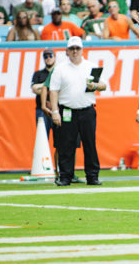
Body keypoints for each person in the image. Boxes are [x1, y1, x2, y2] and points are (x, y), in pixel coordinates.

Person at [49, 36, 107, 186]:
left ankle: (92, 176)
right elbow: (53, 91)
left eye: (77, 48)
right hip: (67, 110)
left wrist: (95, 86)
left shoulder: (91, 66)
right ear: (67, 51)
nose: (75, 51)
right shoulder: (60, 68)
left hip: (87, 109)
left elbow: (103, 85)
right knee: (66, 145)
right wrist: (55, 112)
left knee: (90, 144)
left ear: (82, 50)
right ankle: (65, 176)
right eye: (72, 49)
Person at [31, 48, 56, 140]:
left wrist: (42, 87)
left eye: (50, 56)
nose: (48, 58)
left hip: (56, 109)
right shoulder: (38, 74)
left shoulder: (58, 72)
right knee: (42, 139)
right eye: (45, 56)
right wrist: (49, 85)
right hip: (41, 110)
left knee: (60, 141)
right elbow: (34, 89)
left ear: (55, 57)